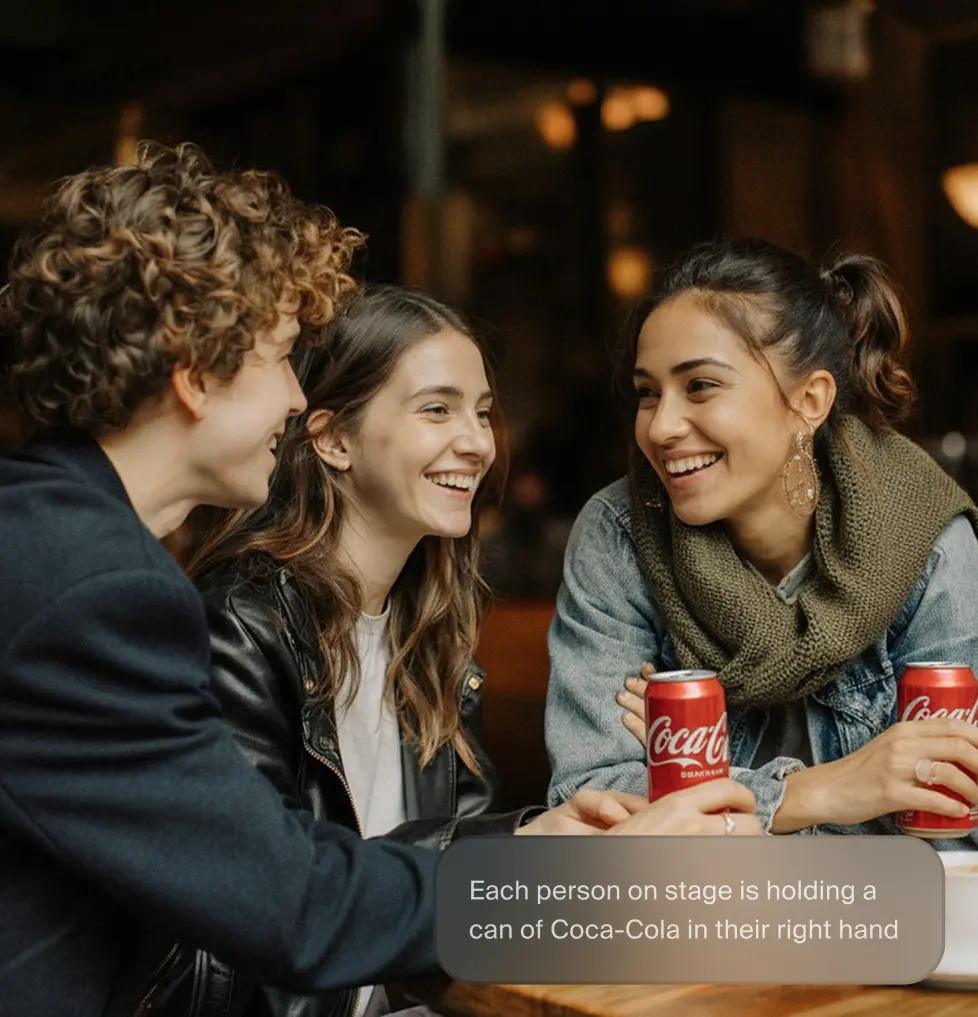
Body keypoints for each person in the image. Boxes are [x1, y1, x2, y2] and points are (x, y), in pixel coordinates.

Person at [0, 144, 755, 1017]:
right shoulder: (89, 587)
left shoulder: (51, 538)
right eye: (283, 355)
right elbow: (292, 905)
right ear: (193, 369)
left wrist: (530, 843)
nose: (294, 398)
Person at [170, 285, 763, 1017]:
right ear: (332, 439)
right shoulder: (238, 626)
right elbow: (267, 917)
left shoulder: (430, 632)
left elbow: (455, 894)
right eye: (436, 409)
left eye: (482, 411)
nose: (478, 441)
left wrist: (543, 836)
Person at [545, 236, 978, 847]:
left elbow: (957, 823)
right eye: (648, 392)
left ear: (810, 400)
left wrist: (698, 782)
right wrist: (821, 791)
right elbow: (588, 806)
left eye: (700, 386)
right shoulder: (620, 532)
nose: (662, 427)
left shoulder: (928, 542)